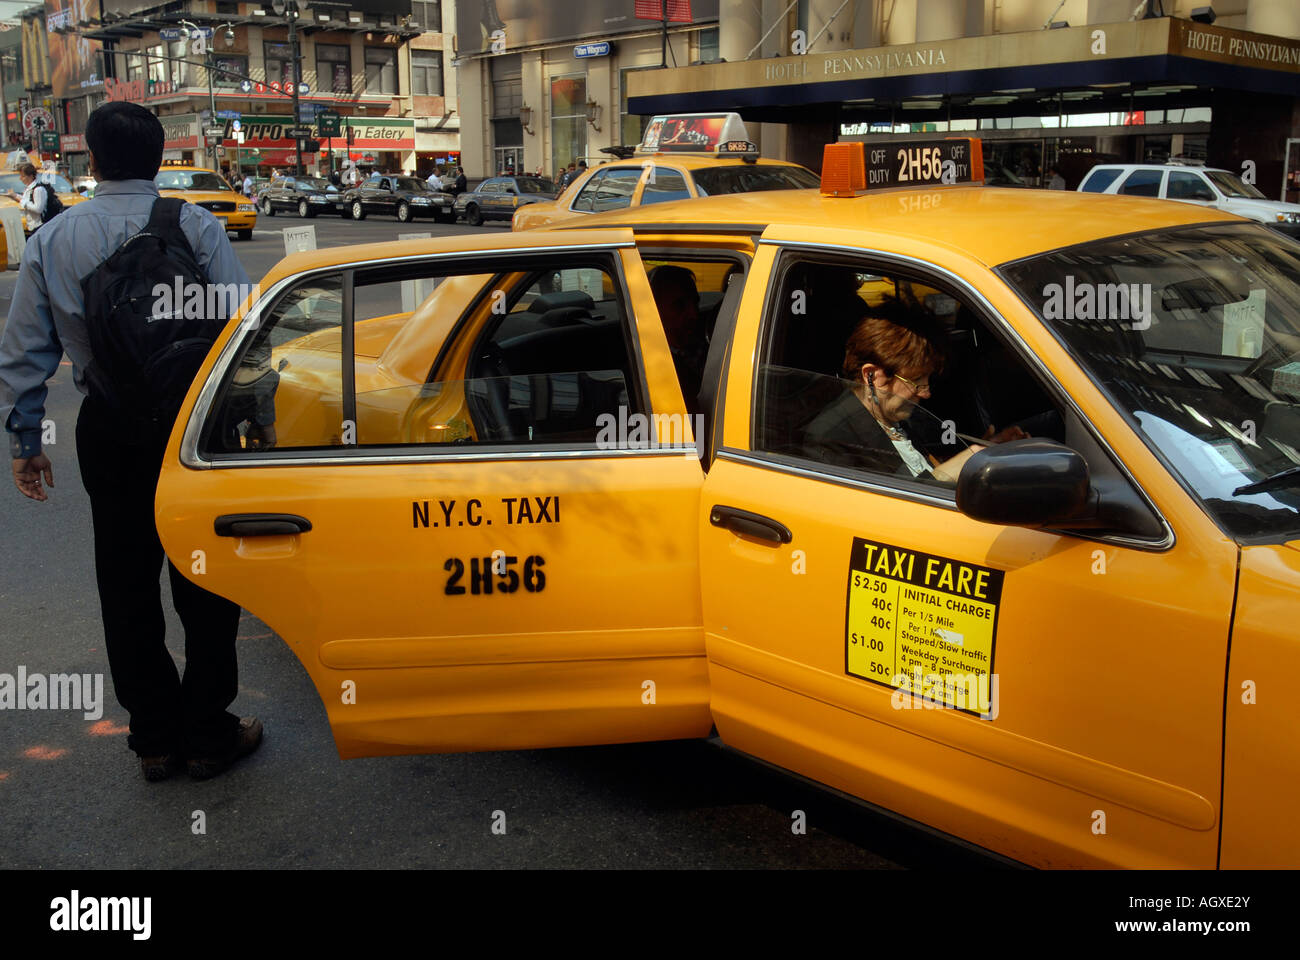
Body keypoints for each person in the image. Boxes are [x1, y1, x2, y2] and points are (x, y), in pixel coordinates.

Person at [0, 102, 263, 782]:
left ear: (92, 158)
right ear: (158, 159)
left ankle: (153, 738)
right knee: (204, 577)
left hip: (109, 427)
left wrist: (27, 439)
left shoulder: (53, 240)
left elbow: (25, 352)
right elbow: (243, 330)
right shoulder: (195, 223)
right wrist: (253, 421)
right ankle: (209, 733)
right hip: (195, 428)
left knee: (124, 583)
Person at [803, 299, 1026, 483]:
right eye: (917, 381)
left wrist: (985, 449)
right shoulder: (831, 440)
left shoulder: (896, 417)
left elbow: (920, 467)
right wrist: (953, 470)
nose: (926, 393)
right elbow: (879, 517)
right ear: (873, 376)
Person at [649, 265, 708, 415]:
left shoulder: (711, 350)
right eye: (679, 306)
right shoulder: (647, 366)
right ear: (654, 309)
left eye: (695, 303)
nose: (693, 314)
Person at [7, 163, 50, 233]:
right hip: (31, 226)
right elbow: (26, 200)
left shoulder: (38, 189)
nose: (20, 178)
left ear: (31, 176)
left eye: (23, 176)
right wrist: (14, 196)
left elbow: (38, 209)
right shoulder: (29, 189)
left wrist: (21, 200)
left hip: (39, 226)